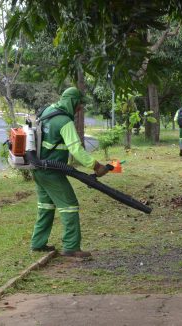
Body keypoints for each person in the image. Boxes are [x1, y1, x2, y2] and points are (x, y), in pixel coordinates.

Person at [31, 87, 109, 258]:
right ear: (73, 102)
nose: (80, 109)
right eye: (79, 105)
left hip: (37, 169)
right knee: (70, 205)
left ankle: (38, 243)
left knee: (46, 206)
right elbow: (76, 150)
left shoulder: (47, 111)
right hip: (51, 172)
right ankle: (71, 246)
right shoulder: (64, 121)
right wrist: (96, 166)